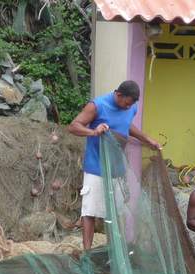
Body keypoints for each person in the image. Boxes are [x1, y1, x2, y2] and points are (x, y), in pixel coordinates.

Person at [68, 80, 160, 250]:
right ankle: (87, 251)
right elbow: (73, 126)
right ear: (118, 95)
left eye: (130, 105)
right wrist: (93, 131)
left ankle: (114, 249)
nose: (127, 108)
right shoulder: (97, 106)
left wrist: (147, 139)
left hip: (117, 168)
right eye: (125, 103)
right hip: (96, 167)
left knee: (117, 211)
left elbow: (126, 125)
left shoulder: (131, 107)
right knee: (90, 211)